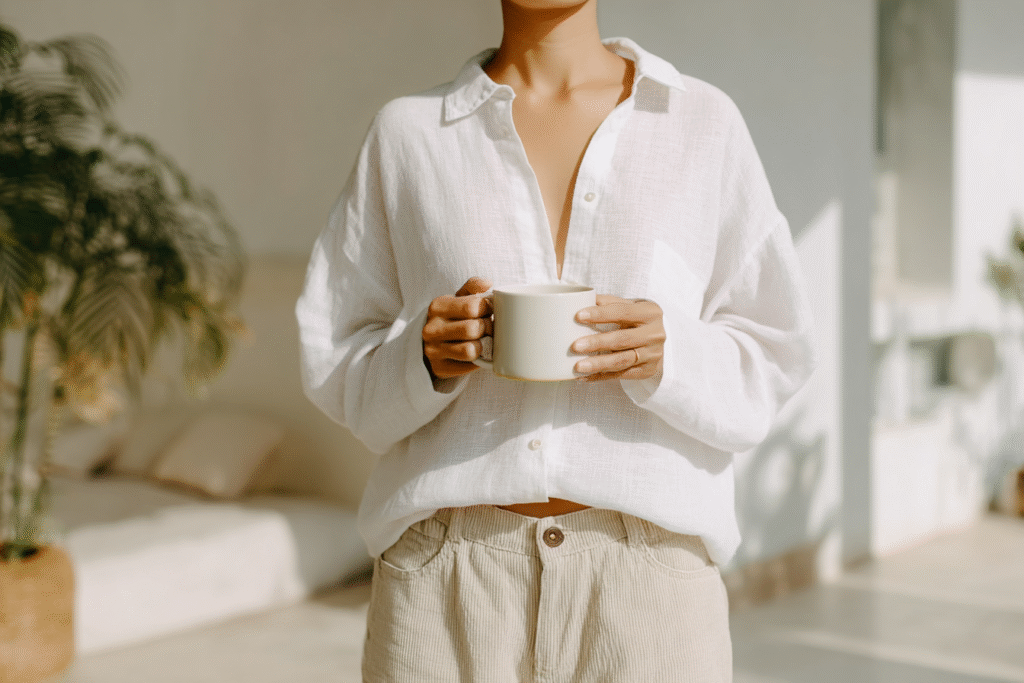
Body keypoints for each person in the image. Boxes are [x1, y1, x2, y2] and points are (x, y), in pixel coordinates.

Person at [296, 0, 818, 680]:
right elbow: (333, 351)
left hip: (649, 594)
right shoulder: (410, 136)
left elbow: (778, 349)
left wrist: (671, 354)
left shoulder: (700, 125)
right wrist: (421, 358)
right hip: (442, 586)